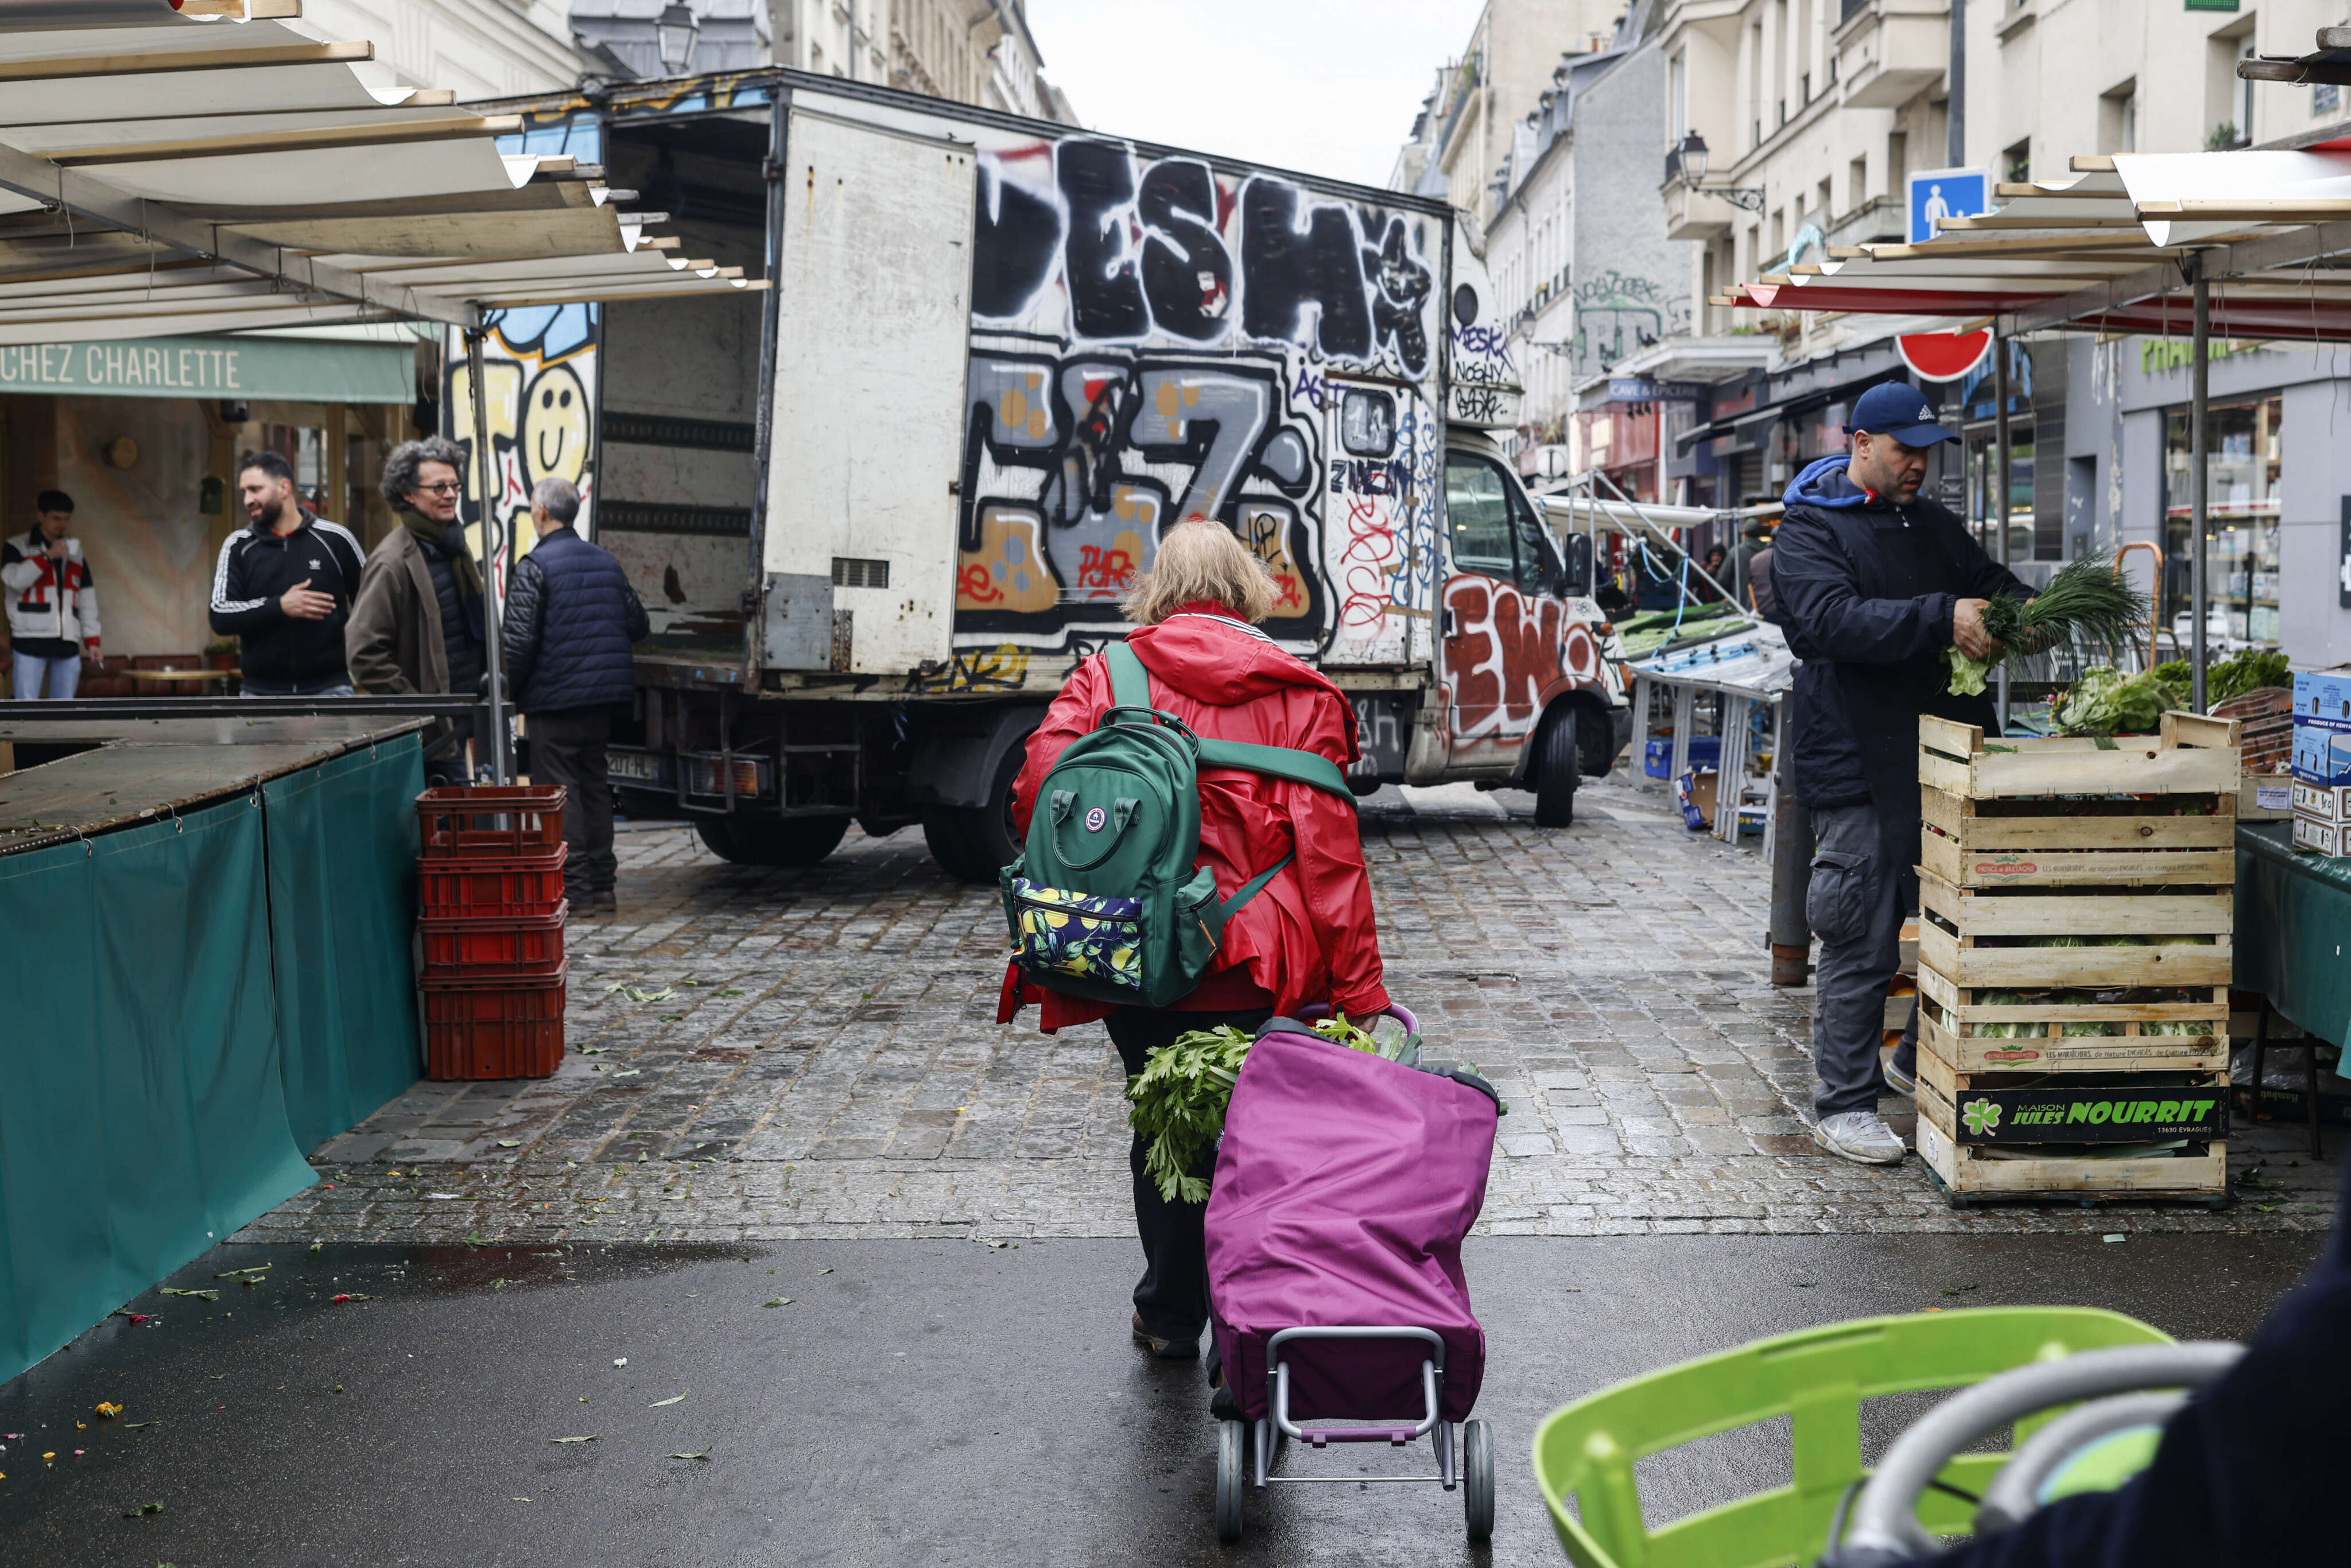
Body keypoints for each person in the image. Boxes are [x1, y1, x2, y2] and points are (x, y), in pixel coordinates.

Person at [996, 518, 1390, 1364]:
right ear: (1249, 588)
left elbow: (1036, 800)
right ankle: (1252, 1333)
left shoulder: (1109, 676)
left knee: (1166, 1125)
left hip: (1141, 961)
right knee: (1262, 1141)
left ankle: (1172, 1316)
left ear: (1160, 588)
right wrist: (1361, 996)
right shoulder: (1304, 695)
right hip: (1261, 960)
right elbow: (1330, 861)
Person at [1771, 381, 2030, 1166]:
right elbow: (1827, 623)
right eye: (1904, 450)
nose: (1919, 464)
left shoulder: (1933, 524)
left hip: (1944, 757)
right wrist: (1938, 617)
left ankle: (1915, 1059)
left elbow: (1985, 580)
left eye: (1927, 452)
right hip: (1852, 761)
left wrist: (2024, 610)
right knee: (1861, 937)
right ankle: (1843, 1103)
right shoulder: (1810, 529)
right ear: (1860, 445)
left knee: (1963, 922)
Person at [502, 477, 649, 917]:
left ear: (543, 513)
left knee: (563, 793)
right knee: (596, 789)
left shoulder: (535, 566)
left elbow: (518, 644)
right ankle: (604, 888)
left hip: (554, 703)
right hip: (602, 704)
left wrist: (509, 692)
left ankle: (579, 892)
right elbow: (638, 624)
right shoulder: (607, 562)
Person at [348, 437, 484, 784]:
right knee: (446, 832)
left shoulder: (454, 546)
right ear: (408, 494)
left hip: (472, 722)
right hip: (434, 736)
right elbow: (364, 653)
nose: (451, 494)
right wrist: (419, 708)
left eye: (455, 485)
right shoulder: (392, 561)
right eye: (438, 487)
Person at [209, 451, 366, 697]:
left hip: (330, 691)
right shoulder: (238, 546)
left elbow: (372, 609)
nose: (248, 500)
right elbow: (219, 615)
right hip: (260, 695)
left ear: (284, 488)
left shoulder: (336, 539)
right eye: (244, 492)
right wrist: (279, 606)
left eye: (255, 489)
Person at [3, 489, 99, 698]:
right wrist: (47, 556)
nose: (62, 524)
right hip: (29, 640)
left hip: (67, 642)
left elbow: (86, 597)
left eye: (66, 519)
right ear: (41, 516)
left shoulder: (75, 551)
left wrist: (92, 640)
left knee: (64, 711)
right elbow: (14, 581)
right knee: (26, 711)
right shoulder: (17, 546)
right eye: (56, 518)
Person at [1727, 517, 1770, 607]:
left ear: (1745, 533)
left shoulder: (1735, 552)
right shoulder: (1768, 553)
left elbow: (1722, 579)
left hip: (1740, 604)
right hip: (1763, 605)